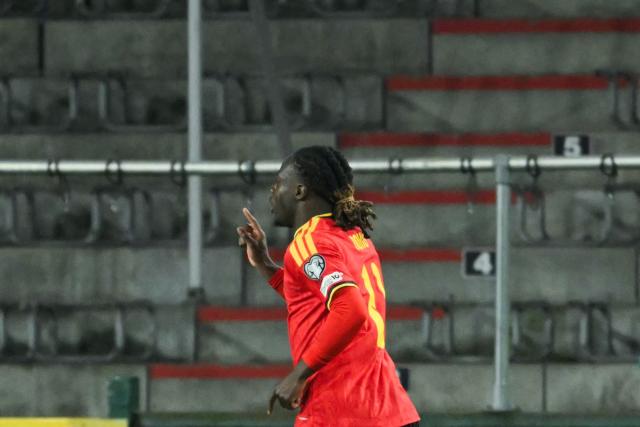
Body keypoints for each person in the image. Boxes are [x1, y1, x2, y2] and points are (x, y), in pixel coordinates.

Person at [237, 146, 420, 427]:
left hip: (341, 411)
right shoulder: (352, 236)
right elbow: (316, 302)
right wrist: (265, 264)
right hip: (391, 412)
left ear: (300, 192)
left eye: (277, 184)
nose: (271, 193)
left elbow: (350, 309)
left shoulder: (309, 242)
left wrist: (298, 375)